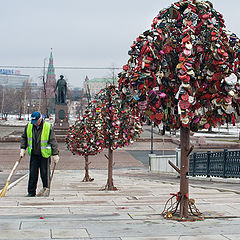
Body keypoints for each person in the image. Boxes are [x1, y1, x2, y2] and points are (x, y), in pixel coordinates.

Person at [20, 111, 59, 197]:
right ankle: (31, 192)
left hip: (44, 154)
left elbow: (53, 141)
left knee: (45, 173)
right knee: (32, 173)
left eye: (36, 122)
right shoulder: (29, 126)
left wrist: (55, 154)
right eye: (33, 122)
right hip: (34, 153)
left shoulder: (48, 127)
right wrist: (23, 148)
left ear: (40, 119)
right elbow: (24, 138)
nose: (35, 124)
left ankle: (45, 189)